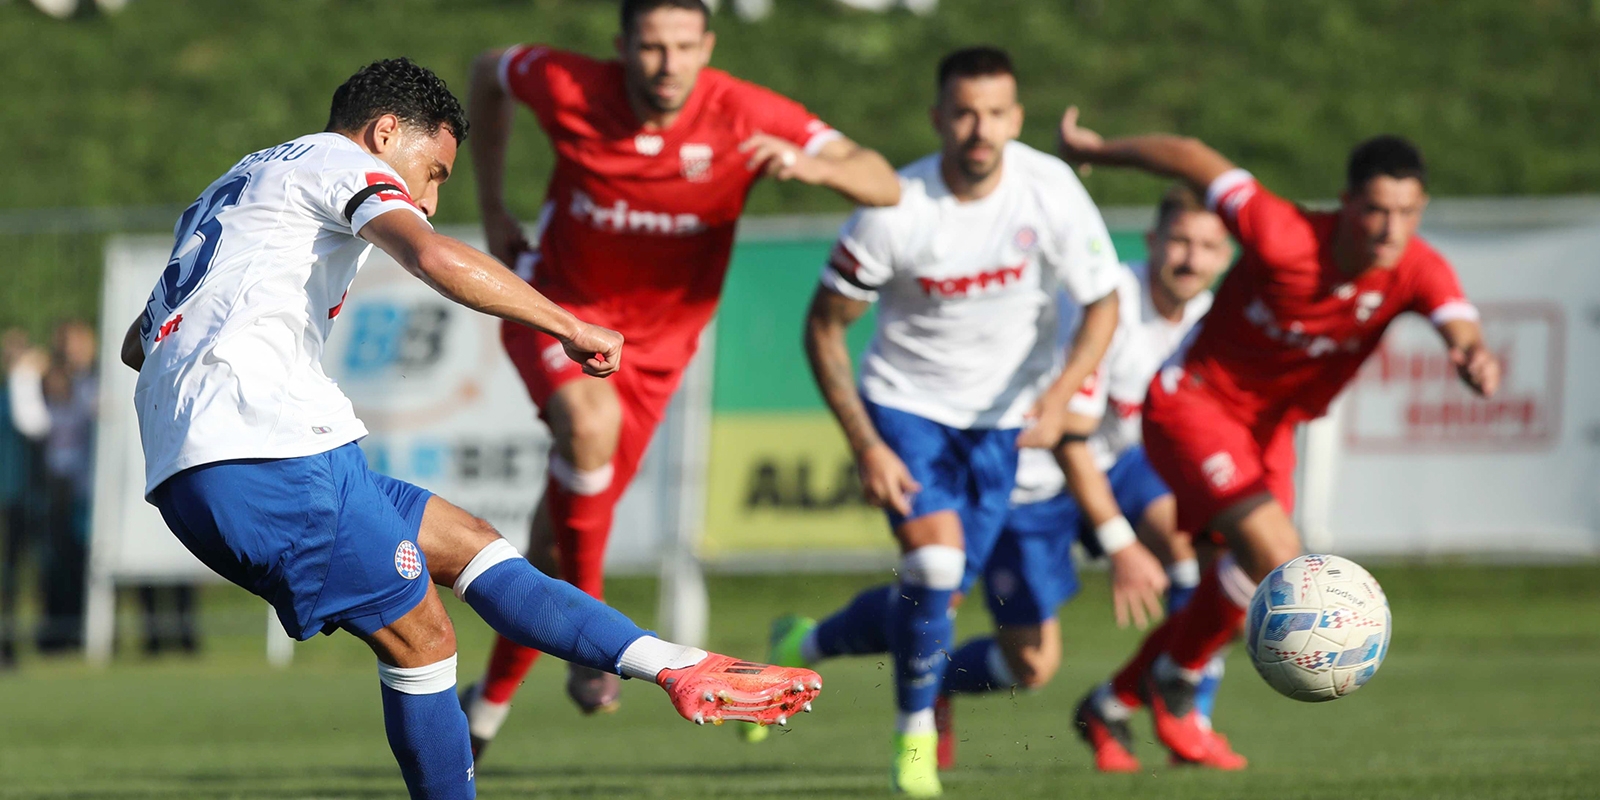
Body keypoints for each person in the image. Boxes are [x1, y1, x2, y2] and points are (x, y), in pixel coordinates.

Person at [119, 57, 820, 799]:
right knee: (424, 639)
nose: (427, 195)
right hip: (265, 454)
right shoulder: (337, 161)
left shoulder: (250, 177)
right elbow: (429, 254)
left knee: (471, 546)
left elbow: (139, 345)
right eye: (435, 171)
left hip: (233, 453)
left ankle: (676, 663)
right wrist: (566, 323)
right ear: (386, 132)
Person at [459, 0, 899, 742]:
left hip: (657, 352)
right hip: (558, 310)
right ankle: (595, 650)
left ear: (708, 46)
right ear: (622, 47)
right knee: (587, 428)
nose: (668, 65)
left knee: (553, 539)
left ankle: (486, 709)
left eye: (684, 46)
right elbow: (486, 73)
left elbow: (883, 181)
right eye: (652, 47)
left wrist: (811, 165)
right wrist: (492, 204)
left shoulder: (742, 112)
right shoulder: (569, 84)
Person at [761, 47, 1171, 797]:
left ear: (1015, 118)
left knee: (936, 596)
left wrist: (1060, 395)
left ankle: (805, 642)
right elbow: (823, 329)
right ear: (939, 118)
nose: (979, 130)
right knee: (938, 568)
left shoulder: (1048, 190)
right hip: (907, 408)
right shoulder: (897, 209)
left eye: (994, 113)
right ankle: (914, 740)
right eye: (963, 113)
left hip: (1003, 429)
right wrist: (867, 443)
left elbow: (1105, 300)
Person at [1057, 109, 1501, 767]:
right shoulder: (1282, 233)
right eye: (1376, 210)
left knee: (1238, 596)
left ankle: (1114, 701)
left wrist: (1473, 355)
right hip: (1194, 405)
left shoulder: (1416, 268)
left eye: (1406, 212)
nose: (1390, 229)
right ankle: (1176, 683)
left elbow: (1457, 322)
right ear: (1348, 203)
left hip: (1272, 430)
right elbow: (1188, 154)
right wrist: (1099, 150)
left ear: (1422, 208)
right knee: (1280, 560)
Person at [761, 186, 1236, 774]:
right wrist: (1119, 543)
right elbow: (1066, 437)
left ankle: (1177, 712)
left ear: (1225, 254)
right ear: (1153, 241)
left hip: (1112, 468)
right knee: (1002, 644)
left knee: (1210, 547)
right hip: (1032, 480)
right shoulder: (1105, 307)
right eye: (1181, 242)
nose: (1191, 259)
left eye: (1209, 246)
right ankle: (812, 645)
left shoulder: (1209, 315)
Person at [36, 321, 97, 654]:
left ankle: (86, 632)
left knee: (86, 562)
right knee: (57, 562)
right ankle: (58, 634)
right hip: (59, 485)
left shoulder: (94, 384)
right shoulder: (53, 382)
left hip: (86, 487)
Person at [0, 329, 50, 668]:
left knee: (13, 574)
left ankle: (8, 646)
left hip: (18, 498)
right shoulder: (18, 389)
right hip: (9, 496)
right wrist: (25, 376)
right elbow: (35, 424)